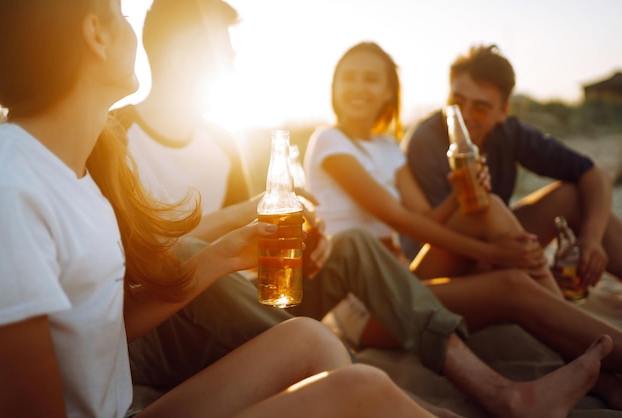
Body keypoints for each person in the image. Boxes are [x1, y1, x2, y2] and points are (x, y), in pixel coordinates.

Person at [113, 1, 622, 414]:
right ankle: (363, 373)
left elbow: (256, 240)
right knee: (210, 254)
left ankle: (496, 384)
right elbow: (127, 264)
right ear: (183, 56)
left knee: (354, 242)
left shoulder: (222, 142)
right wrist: (236, 223)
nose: (232, 63)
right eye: (223, 52)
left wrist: (307, 246)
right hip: (168, 324)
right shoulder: (114, 140)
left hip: (244, 307)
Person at [0, 1, 462, 417]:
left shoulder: (75, 172)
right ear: (95, 35)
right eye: (120, 12)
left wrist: (227, 253)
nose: (130, 28)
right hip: (151, 372)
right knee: (359, 390)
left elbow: (102, 320)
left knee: (312, 339)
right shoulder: (13, 185)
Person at [303, 40, 622, 409]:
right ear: (333, 85)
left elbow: (424, 219)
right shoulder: (328, 140)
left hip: (401, 278)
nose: (358, 87)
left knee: (487, 208)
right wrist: (490, 251)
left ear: (390, 90)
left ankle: (591, 357)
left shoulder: (389, 147)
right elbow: (398, 218)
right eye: (349, 78)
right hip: (361, 299)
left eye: (371, 79)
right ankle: (595, 356)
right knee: (510, 280)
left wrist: (462, 190)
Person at [403, 44, 622, 290]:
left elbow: (594, 174)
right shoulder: (425, 141)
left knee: (572, 196)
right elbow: (430, 232)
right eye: (457, 101)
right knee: (490, 209)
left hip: (497, 244)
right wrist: (500, 256)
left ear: (503, 111)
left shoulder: (509, 133)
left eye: (480, 107)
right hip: (438, 259)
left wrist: (591, 239)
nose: (465, 114)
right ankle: (553, 301)